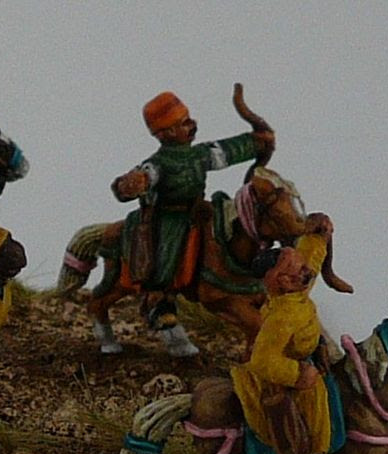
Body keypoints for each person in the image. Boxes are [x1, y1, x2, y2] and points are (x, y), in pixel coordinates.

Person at [110, 91, 273, 326]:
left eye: (188, 119)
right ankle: (159, 299)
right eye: (183, 123)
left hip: (199, 209)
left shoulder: (200, 154)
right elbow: (143, 175)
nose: (192, 125)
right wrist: (131, 184)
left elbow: (226, 151)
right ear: (166, 133)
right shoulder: (159, 163)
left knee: (229, 226)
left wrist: (255, 143)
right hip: (170, 215)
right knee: (169, 246)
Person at [232, 229, 337, 454]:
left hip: (310, 362)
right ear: (283, 281)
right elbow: (263, 361)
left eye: (302, 265)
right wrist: (299, 374)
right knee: (307, 424)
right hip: (286, 378)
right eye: (298, 269)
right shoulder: (281, 317)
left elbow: (311, 261)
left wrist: (317, 235)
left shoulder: (297, 291)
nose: (307, 270)